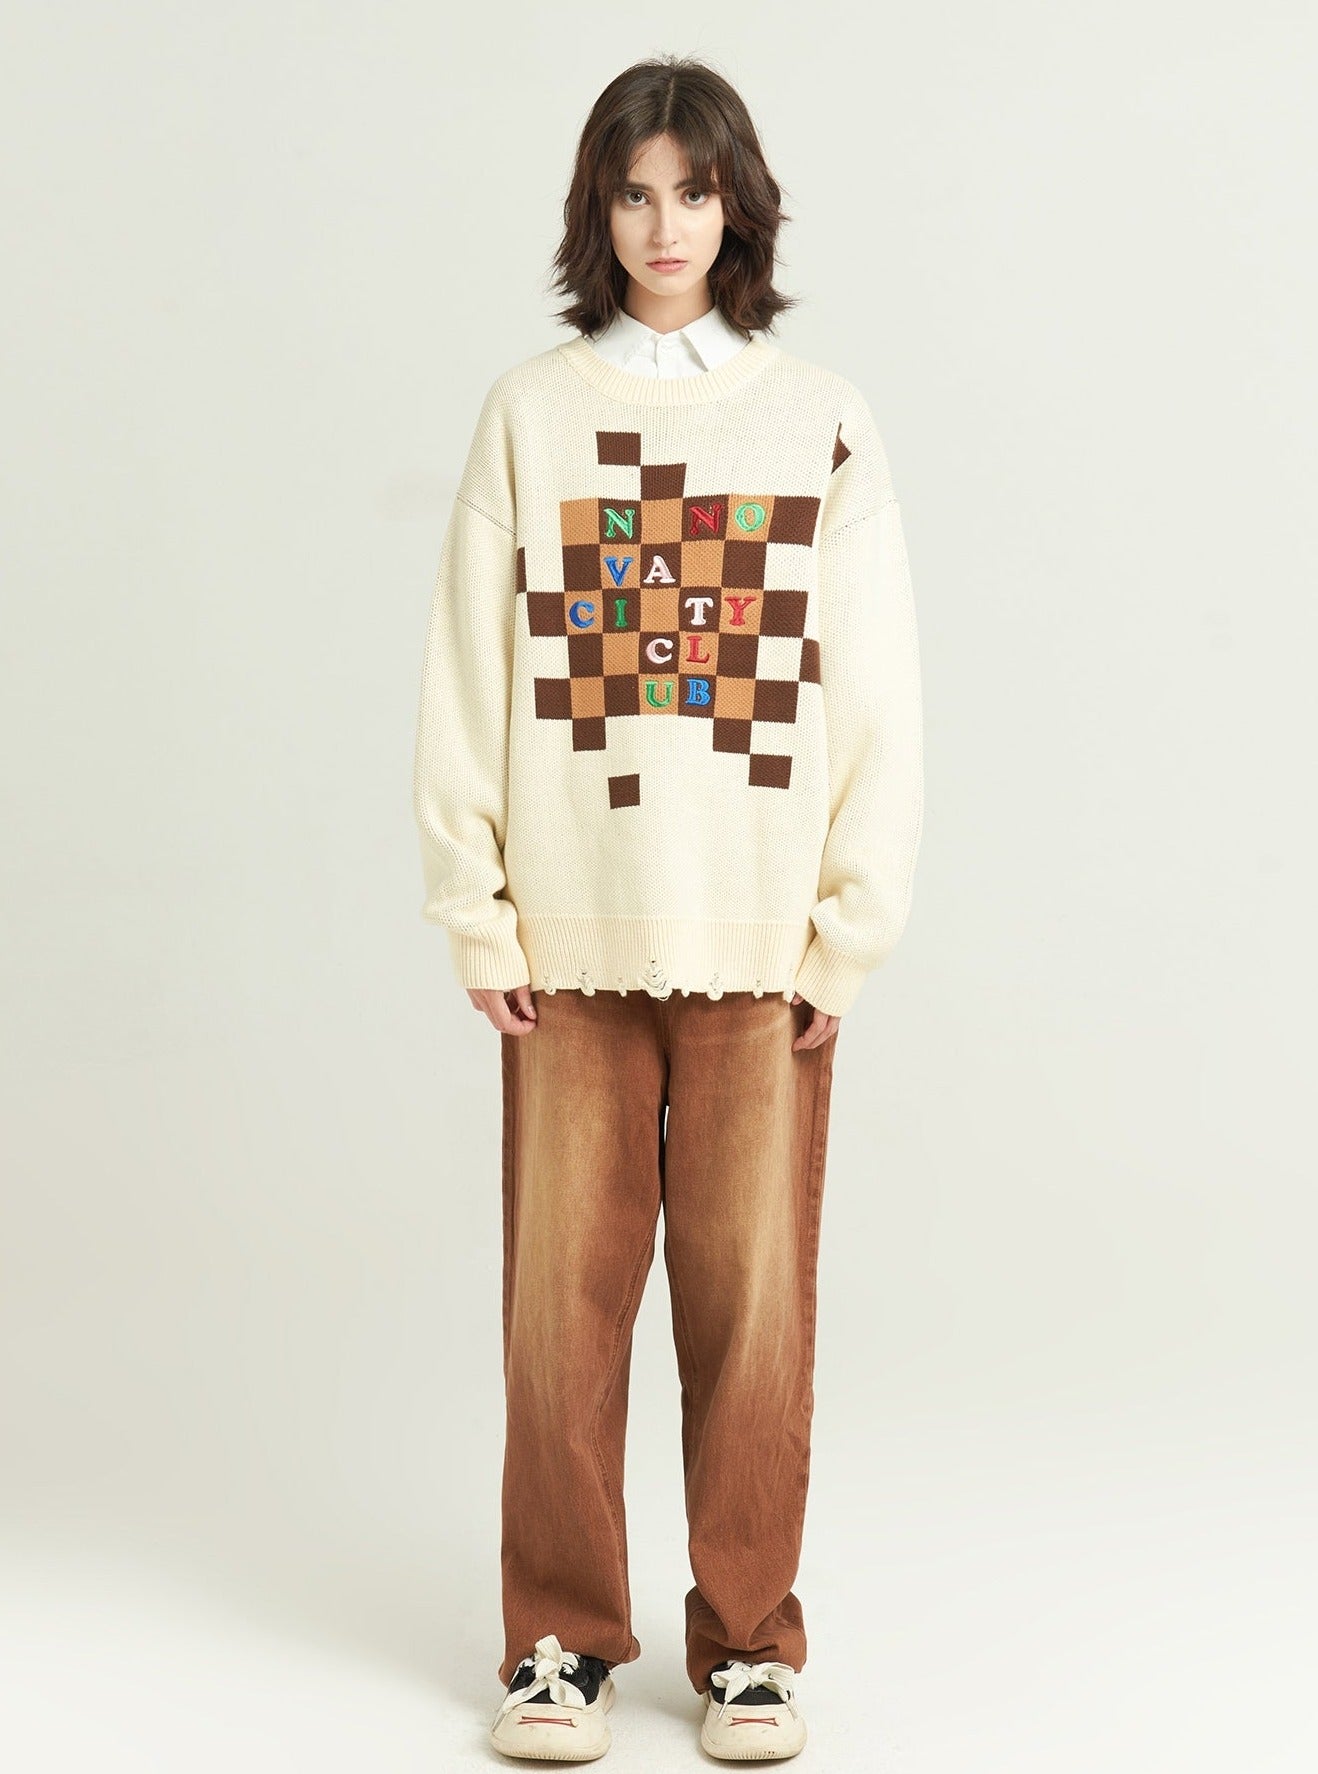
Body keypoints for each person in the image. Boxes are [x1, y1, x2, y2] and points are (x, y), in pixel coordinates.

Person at [411, 54, 924, 1764]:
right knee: (558, 1308)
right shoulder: (529, 416)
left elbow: (875, 691)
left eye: (691, 191)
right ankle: (558, 1639)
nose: (662, 225)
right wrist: (478, 904)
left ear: (736, 205)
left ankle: (748, 1642)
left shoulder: (819, 418)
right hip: (567, 944)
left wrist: (848, 927)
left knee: (750, 1307)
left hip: (760, 947)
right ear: (596, 210)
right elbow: (468, 671)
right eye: (632, 193)